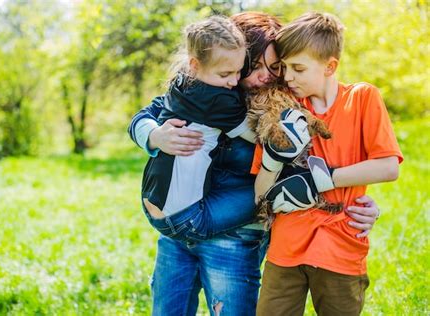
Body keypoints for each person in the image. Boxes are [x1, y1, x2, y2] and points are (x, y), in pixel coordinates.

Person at [129, 11, 381, 316]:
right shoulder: (207, 86)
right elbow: (148, 113)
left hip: (236, 237)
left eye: (274, 67)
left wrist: (358, 204)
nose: (264, 75)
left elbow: (319, 161)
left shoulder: (286, 102)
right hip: (179, 230)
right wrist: (155, 136)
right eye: (255, 66)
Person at [254, 12, 403, 316]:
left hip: (341, 243)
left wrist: (323, 179)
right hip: (286, 246)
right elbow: (260, 192)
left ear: (330, 66)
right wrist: (273, 156)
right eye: (285, 68)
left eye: (298, 68)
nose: (288, 77)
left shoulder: (362, 98)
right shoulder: (283, 109)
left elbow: (388, 166)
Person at [141, 16, 259, 241]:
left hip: (152, 200)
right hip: (187, 219)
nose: (234, 82)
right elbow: (261, 138)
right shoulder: (218, 100)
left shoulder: (180, 83)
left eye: (239, 72)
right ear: (195, 65)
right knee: (276, 192)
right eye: (224, 74)